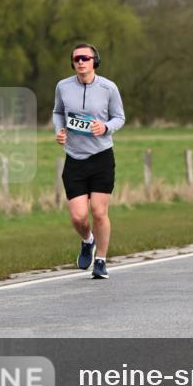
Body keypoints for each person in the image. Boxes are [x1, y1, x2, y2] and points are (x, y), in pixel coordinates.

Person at [52, 43, 126, 279]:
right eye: (76, 59)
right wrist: (59, 129)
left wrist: (105, 127)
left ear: (95, 61)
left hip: (102, 157)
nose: (80, 62)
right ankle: (87, 241)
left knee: (99, 212)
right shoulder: (63, 86)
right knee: (78, 216)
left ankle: (101, 260)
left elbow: (119, 118)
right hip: (74, 158)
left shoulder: (108, 88)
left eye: (85, 58)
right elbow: (57, 112)